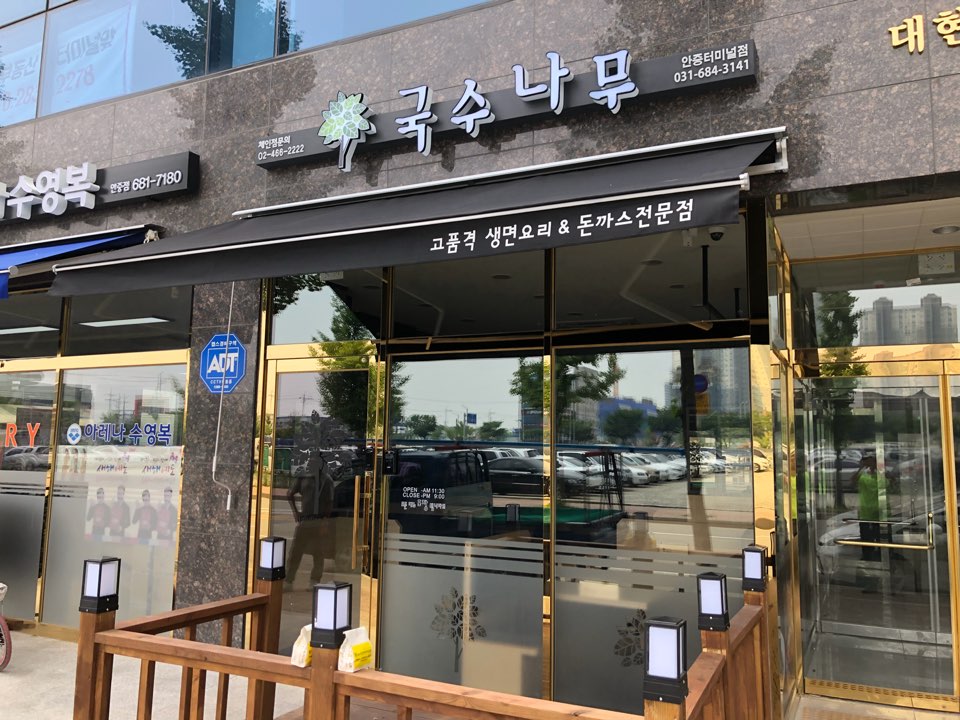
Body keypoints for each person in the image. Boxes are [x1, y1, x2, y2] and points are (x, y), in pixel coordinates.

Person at [286, 453, 335, 588]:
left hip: (319, 521)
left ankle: (315, 580)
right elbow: (290, 494)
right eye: (310, 461)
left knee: (318, 552)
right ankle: (289, 579)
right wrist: (296, 512)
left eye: (314, 462)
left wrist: (325, 522)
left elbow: (330, 503)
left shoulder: (326, 480)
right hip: (305, 520)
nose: (310, 464)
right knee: (296, 551)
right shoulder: (303, 477)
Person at [856, 455, 888, 564]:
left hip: (879, 513)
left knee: (881, 538)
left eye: (872, 462)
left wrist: (880, 469)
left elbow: (891, 481)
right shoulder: (863, 476)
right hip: (866, 513)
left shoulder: (881, 476)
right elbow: (853, 481)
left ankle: (881, 557)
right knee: (866, 540)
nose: (870, 464)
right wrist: (861, 468)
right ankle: (867, 558)